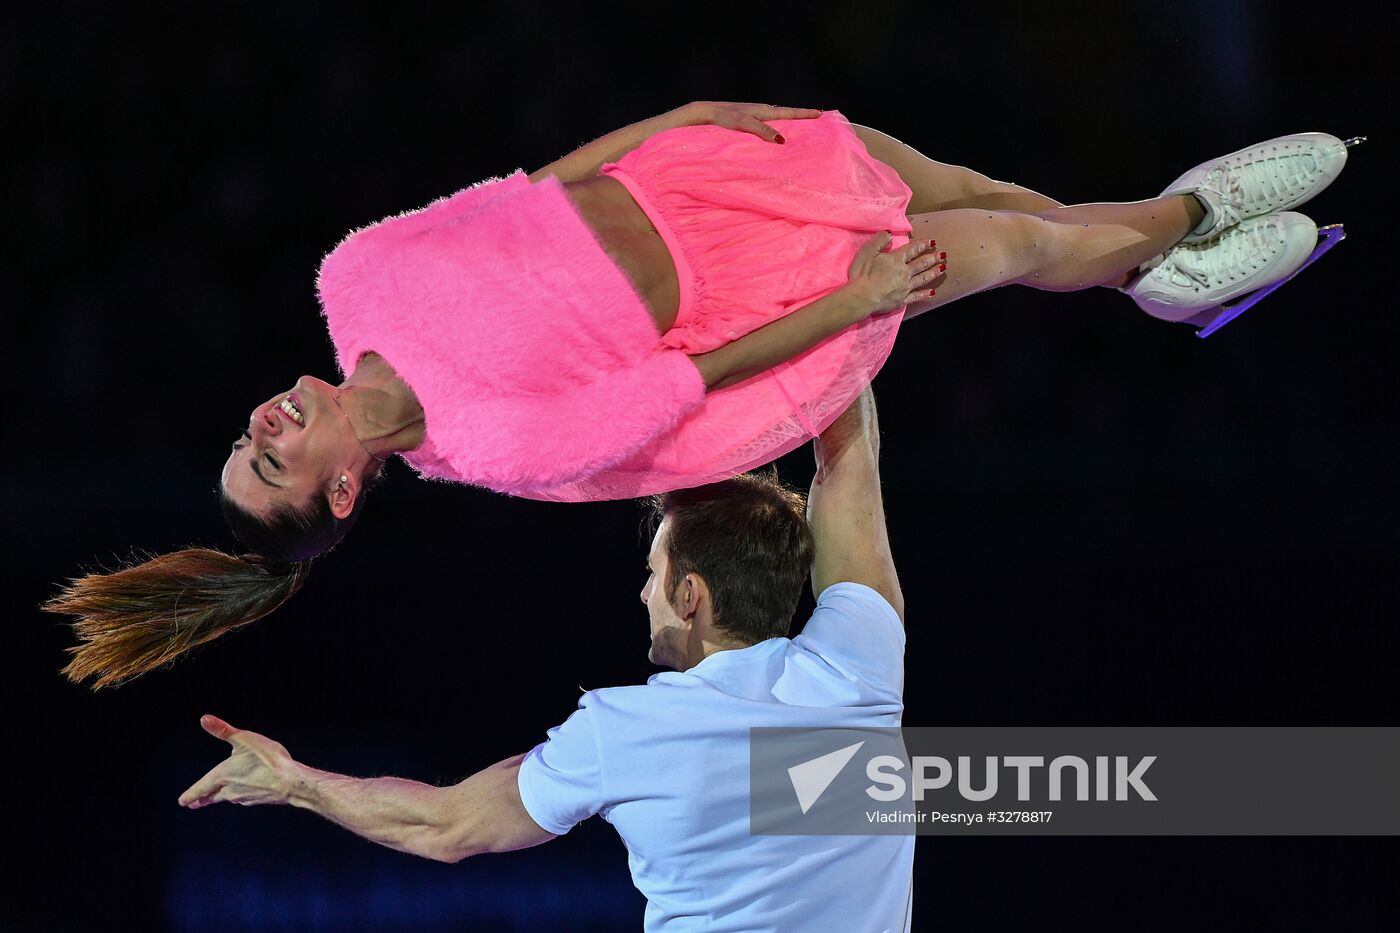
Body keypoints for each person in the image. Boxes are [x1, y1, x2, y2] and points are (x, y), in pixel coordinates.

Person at [47, 102, 1353, 687]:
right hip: (767, 299)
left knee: (975, 186)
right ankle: (1196, 206)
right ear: (343, 482)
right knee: (1011, 249)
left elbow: (530, 189)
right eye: (270, 459)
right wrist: (846, 305)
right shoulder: (486, 443)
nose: (265, 421)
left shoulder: (352, 274)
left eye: (246, 434)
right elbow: (683, 383)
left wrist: (679, 120)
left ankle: (1161, 283)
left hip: (701, 182)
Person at [179, 387, 916, 931]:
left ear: (690, 595)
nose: (642, 593)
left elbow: (445, 826)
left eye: (654, 573)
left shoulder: (626, 729)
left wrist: (292, 781)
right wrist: (836, 288)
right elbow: (850, 459)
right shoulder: (858, 667)